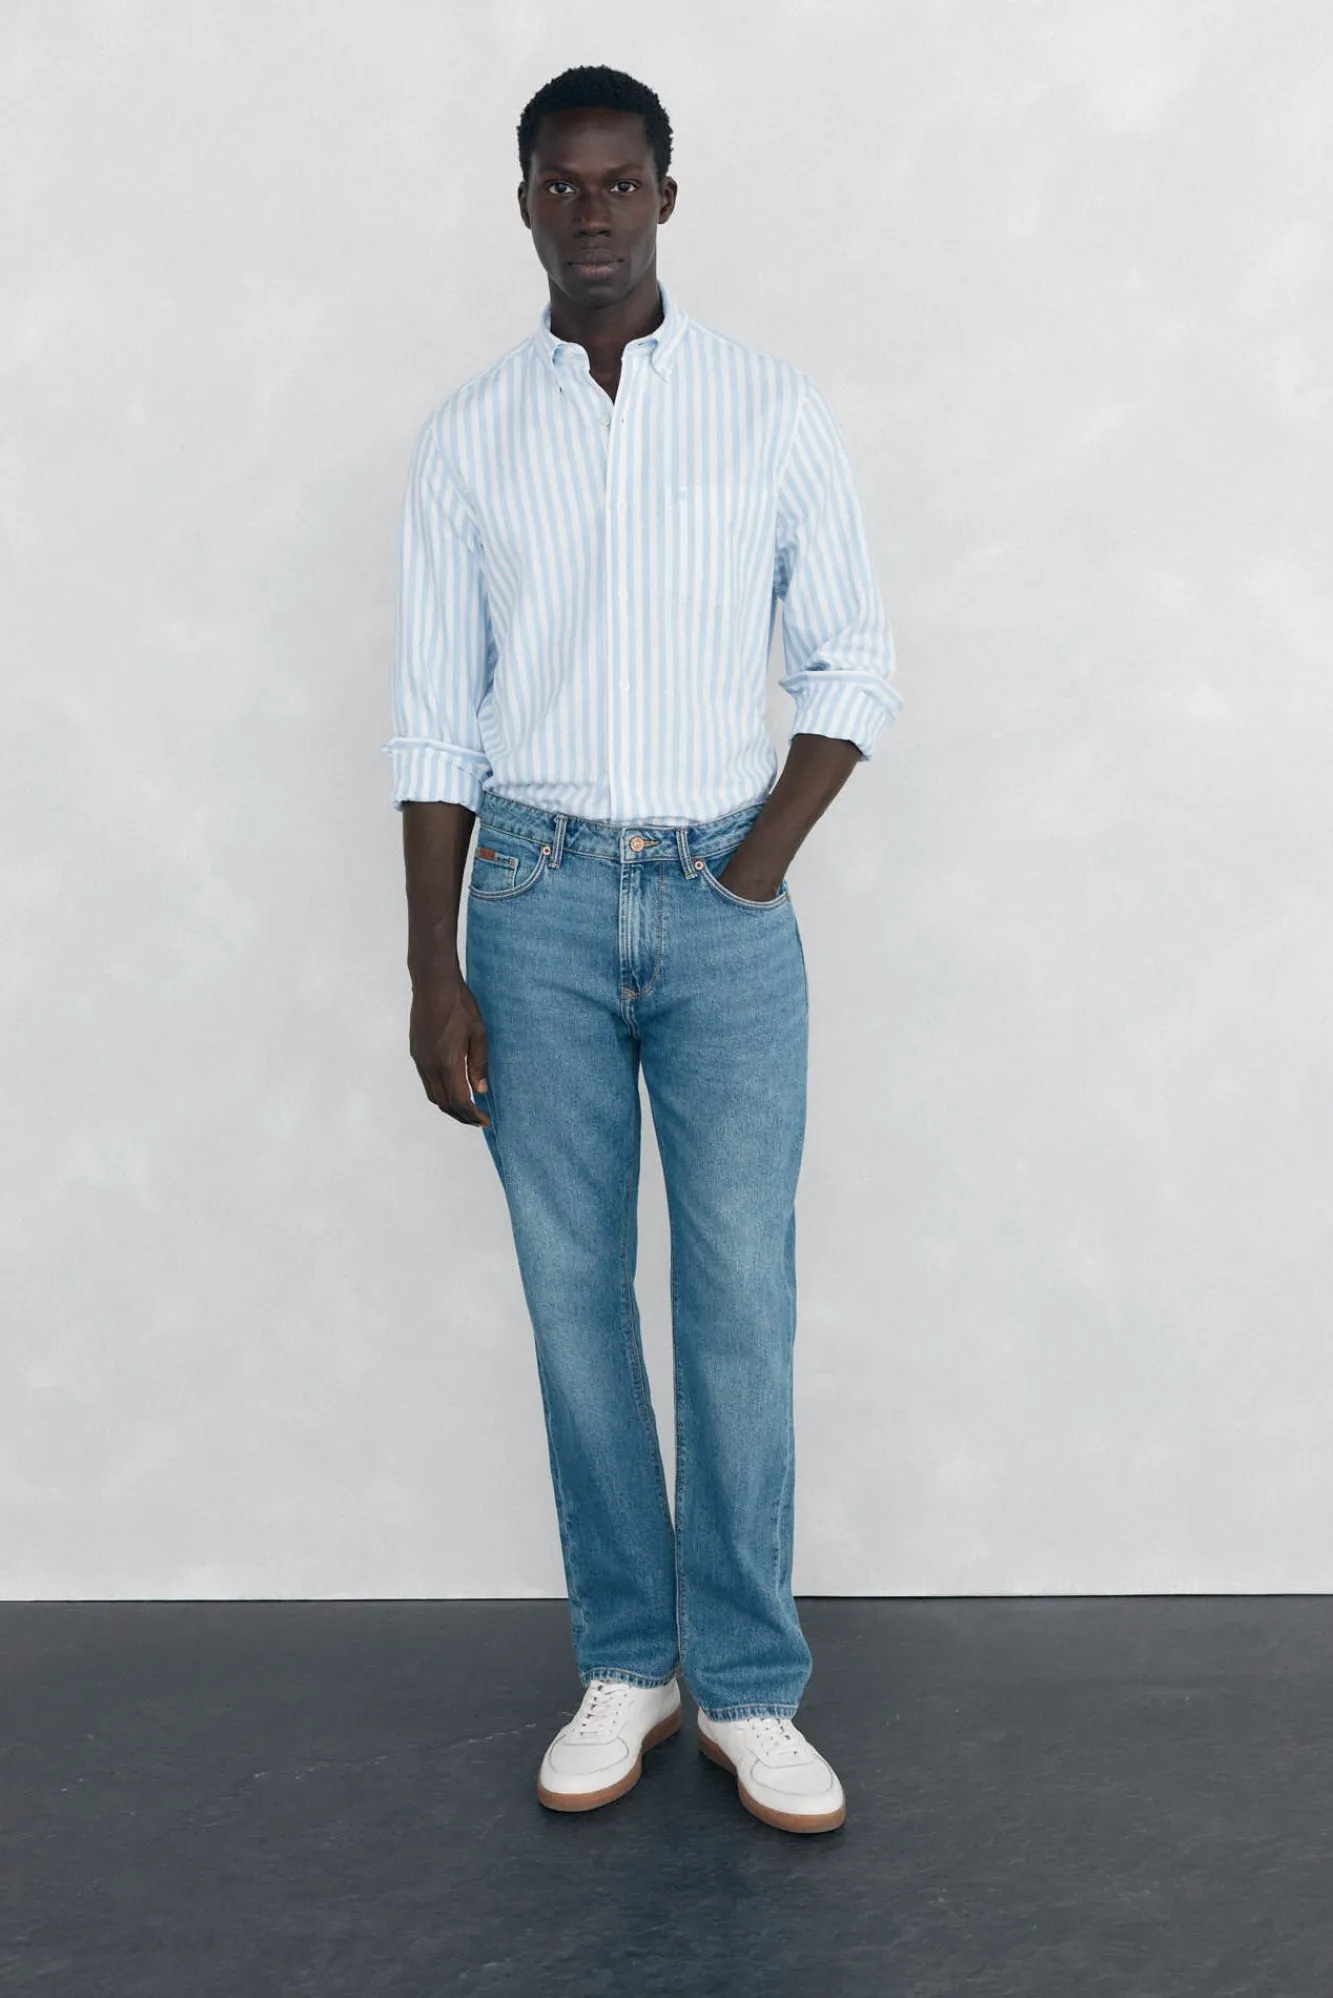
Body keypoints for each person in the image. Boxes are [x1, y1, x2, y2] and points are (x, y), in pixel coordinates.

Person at [384, 64, 902, 1836]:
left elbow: (852, 661)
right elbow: (432, 719)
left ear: (668, 199)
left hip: (720, 906)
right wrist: (434, 964)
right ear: (524, 202)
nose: (591, 212)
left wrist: (750, 869)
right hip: (528, 902)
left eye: (621, 183)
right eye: (562, 184)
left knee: (739, 1296)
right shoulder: (470, 437)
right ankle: (630, 1659)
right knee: (573, 1297)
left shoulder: (769, 410)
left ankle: (748, 1683)